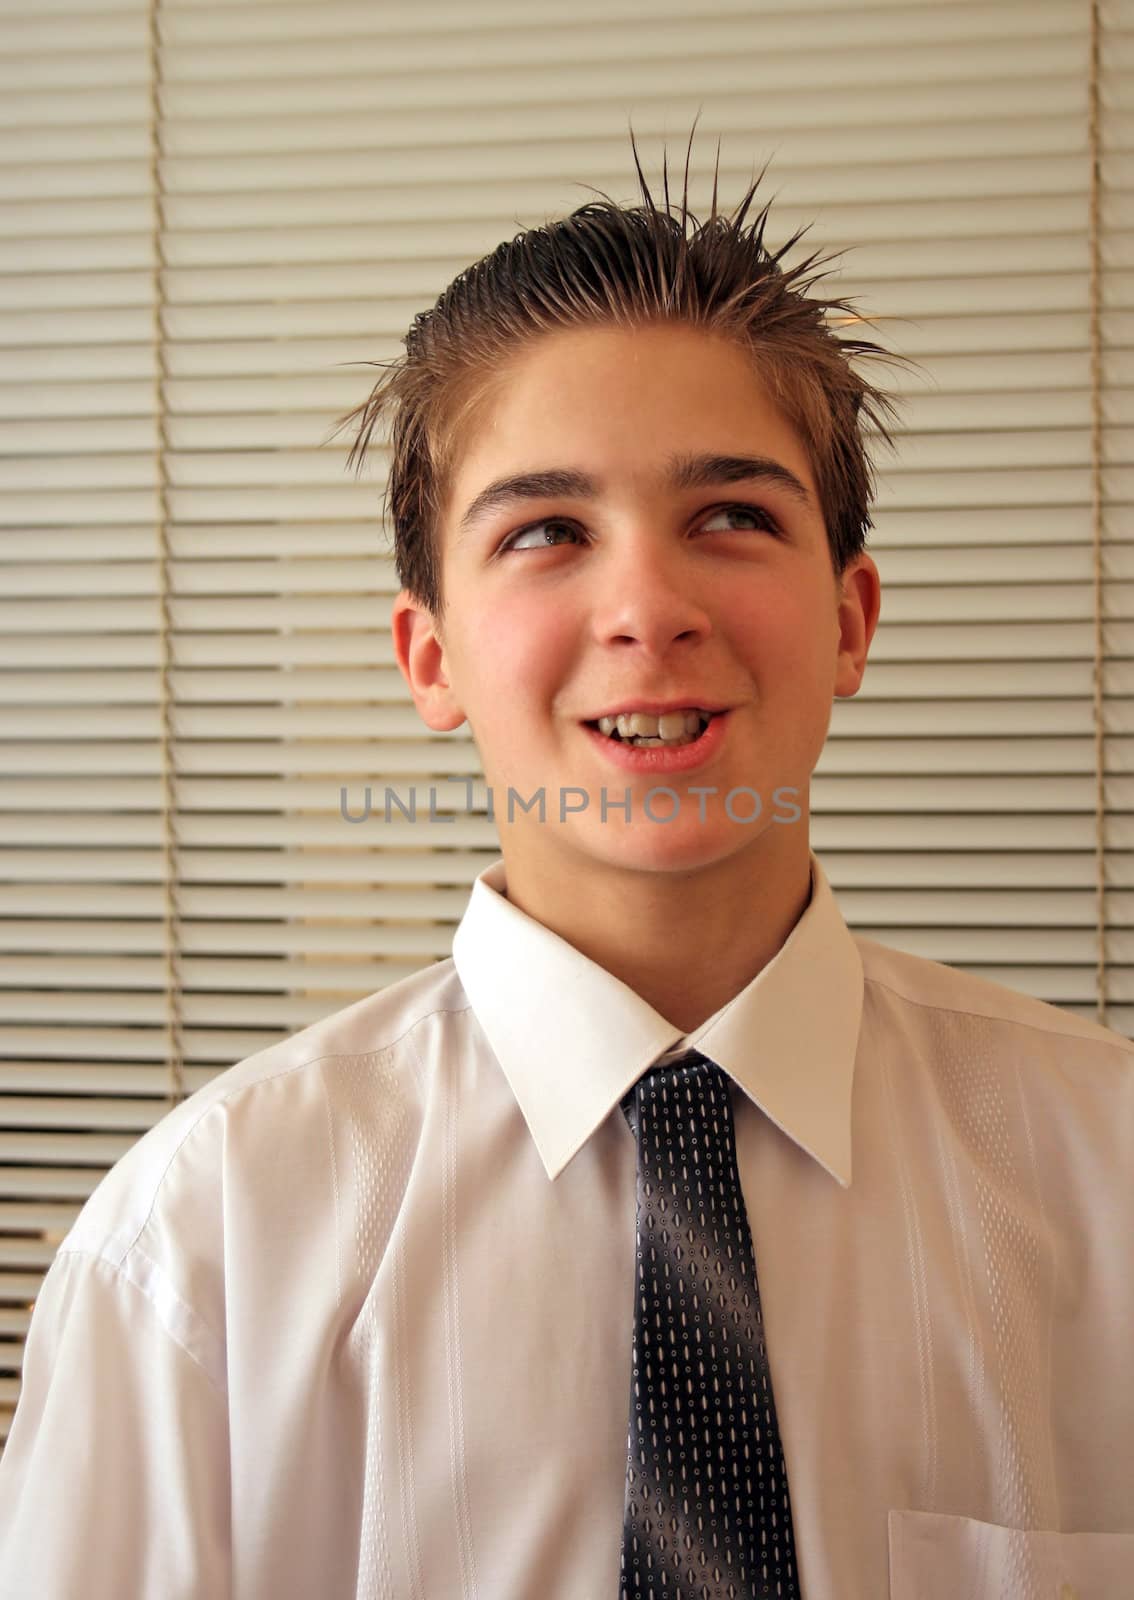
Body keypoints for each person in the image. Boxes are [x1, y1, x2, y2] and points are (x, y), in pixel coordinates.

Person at [1, 124, 1132, 1600]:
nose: (646, 607)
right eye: (545, 530)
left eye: (730, 515)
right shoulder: (200, 1250)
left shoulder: (1106, 1181)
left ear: (849, 618)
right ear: (431, 654)